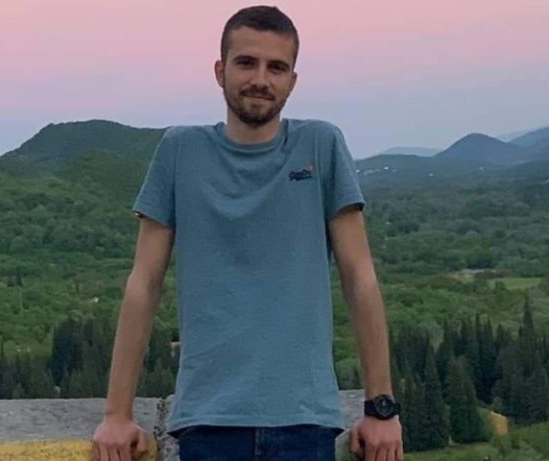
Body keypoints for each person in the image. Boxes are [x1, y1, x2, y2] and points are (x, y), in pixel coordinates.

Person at [92, 5, 403, 461]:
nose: (261, 79)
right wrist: (116, 414)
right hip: (208, 421)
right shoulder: (180, 151)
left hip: (305, 419)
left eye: (276, 67)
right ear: (220, 71)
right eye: (246, 63)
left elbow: (360, 277)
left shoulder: (320, 144)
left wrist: (381, 408)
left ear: (292, 80)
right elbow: (144, 282)